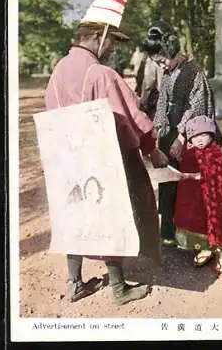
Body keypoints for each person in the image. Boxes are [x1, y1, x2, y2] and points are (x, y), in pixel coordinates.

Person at [44, 21, 168, 305]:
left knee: (76, 212)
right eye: (111, 40)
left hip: (68, 155)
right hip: (102, 154)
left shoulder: (60, 69)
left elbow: (51, 109)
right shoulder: (100, 73)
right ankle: (119, 287)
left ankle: (74, 282)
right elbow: (129, 117)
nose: (113, 47)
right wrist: (152, 150)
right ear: (98, 38)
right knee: (112, 211)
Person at [145, 23, 222, 246]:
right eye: (157, 63)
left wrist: (181, 137)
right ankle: (168, 229)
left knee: (187, 182)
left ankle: (188, 233)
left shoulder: (193, 71)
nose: (161, 65)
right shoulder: (169, 72)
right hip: (169, 129)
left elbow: (197, 107)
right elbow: (162, 100)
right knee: (168, 178)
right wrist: (157, 127)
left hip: (189, 132)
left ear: (173, 52)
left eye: (162, 61)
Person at [173, 115, 222, 274]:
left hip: (214, 198)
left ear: (211, 135)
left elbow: (215, 173)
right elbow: (186, 167)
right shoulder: (192, 152)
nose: (200, 140)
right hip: (199, 197)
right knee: (200, 222)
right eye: (195, 136)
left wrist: (196, 176)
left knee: (216, 222)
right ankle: (206, 247)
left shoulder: (215, 153)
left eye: (204, 135)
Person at [136, 38, 164, 120]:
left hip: (156, 99)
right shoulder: (164, 60)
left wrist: (143, 101)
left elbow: (148, 84)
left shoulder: (151, 61)